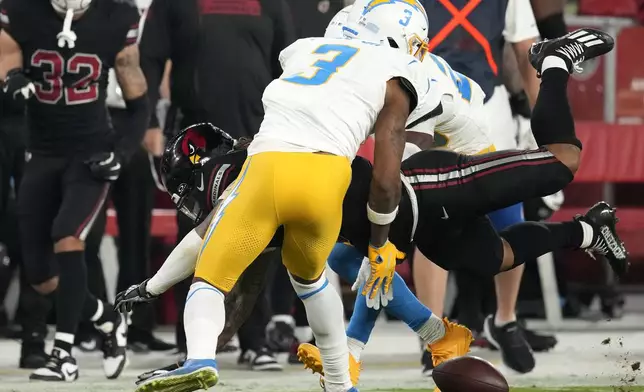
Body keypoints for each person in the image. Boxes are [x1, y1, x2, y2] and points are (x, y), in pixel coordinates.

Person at [119, 31, 629, 378]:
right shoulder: (268, 194)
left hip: (434, 184)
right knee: (491, 258)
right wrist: (151, 286)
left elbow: (207, 237)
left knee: (562, 162)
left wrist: (361, 342)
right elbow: (358, 271)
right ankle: (587, 231)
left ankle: (555, 61)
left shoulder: (268, 164)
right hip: (420, 222)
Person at [130, 1, 461, 391]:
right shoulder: (398, 74)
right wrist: (378, 247)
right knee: (311, 281)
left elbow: (199, 236)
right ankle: (340, 384)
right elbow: (386, 183)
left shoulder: (303, 50)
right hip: (327, 177)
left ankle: (200, 357)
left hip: (267, 164)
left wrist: (151, 286)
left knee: (210, 278)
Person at [138, 0, 296, 363]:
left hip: (260, 133)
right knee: (194, 233)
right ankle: (191, 341)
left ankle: (254, 341)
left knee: (260, 237)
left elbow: (289, 63)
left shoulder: (271, 3)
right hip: (198, 137)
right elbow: (149, 58)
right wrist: (147, 121)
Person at [0, 0, 149, 382]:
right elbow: (5, 52)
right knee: (41, 277)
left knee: (67, 236)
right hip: (44, 152)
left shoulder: (116, 17)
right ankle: (106, 317)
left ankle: (62, 355)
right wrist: (11, 77)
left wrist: (121, 151)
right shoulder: (24, 11)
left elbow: (138, 101)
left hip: (89, 154)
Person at [412, 0, 545, 374]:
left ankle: (505, 319)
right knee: (432, 221)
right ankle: (434, 335)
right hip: (426, 108)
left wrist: (544, 118)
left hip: (490, 106)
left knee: (509, 217)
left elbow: (528, 51)